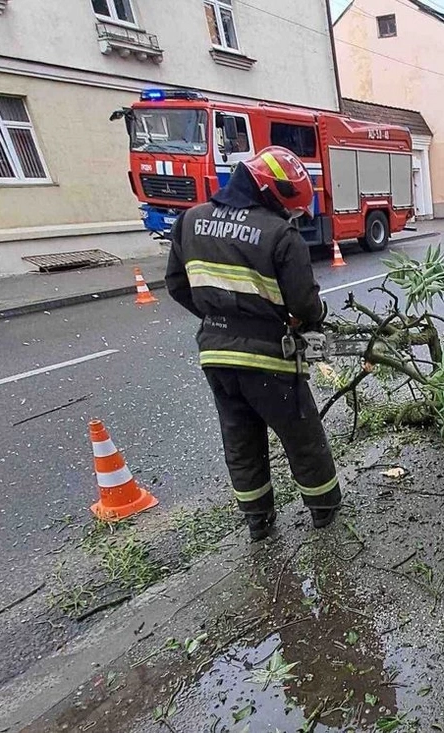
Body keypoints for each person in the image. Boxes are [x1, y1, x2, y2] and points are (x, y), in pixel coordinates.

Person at [165, 146, 340, 541]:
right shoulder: (280, 233)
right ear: (274, 192)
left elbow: (177, 285)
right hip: (269, 356)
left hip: (216, 354)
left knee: (240, 437)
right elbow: (304, 304)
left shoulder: (190, 221)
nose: (292, 217)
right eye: (293, 209)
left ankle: (258, 521)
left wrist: (218, 321)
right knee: (301, 434)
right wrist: (310, 319)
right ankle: (324, 509)